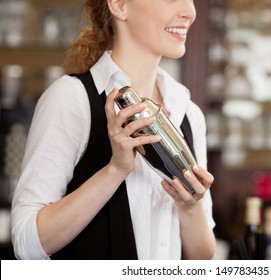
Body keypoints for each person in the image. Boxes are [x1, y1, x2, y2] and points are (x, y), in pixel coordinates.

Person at [11, 0, 216, 260]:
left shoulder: (188, 113)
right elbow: (26, 244)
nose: (190, 12)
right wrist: (115, 170)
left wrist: (189, 207)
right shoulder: (72, 99)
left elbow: (202, 257)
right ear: (119, 5)